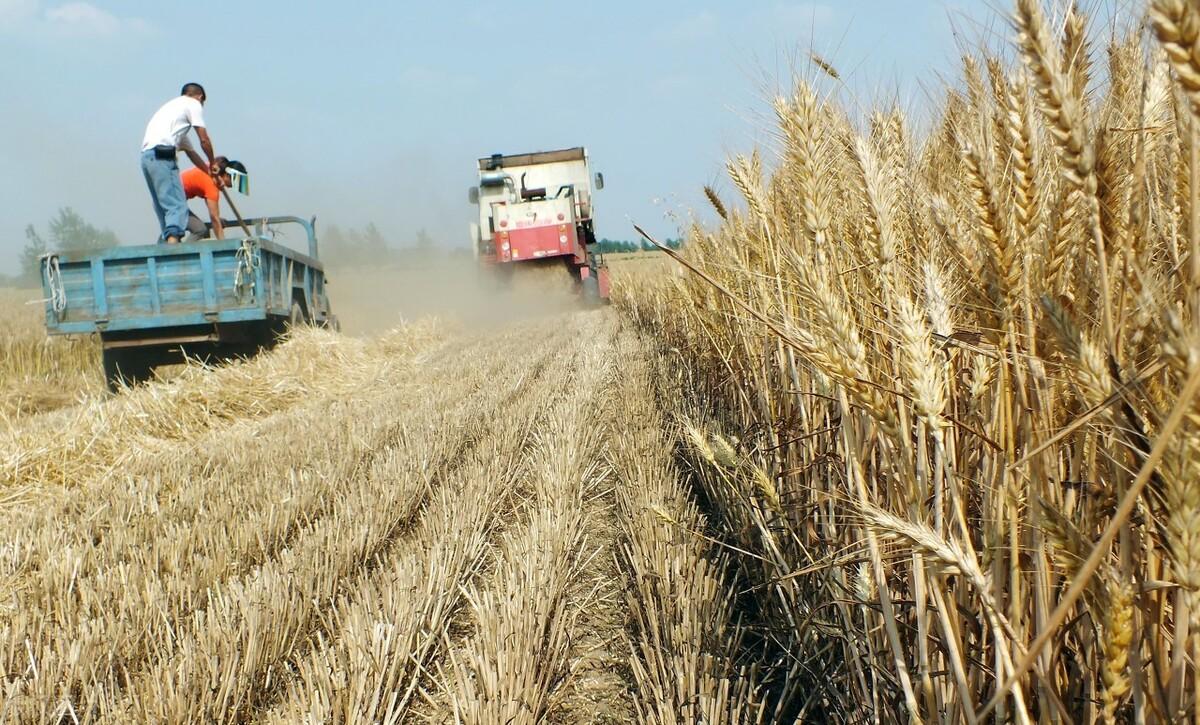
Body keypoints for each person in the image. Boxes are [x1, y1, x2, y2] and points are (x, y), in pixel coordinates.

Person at [140, 83, 219, 244]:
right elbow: (204, 140)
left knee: (165, 211)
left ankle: (164, 250)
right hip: (163, 157)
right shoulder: (193, 104)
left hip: (147, 158)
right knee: (177, 208)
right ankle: (172, 250)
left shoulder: (172, 115)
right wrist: (213, 163)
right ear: (200, 97)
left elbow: (192, 154)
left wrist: (209, 172)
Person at [182, 157, 248, 242]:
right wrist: (224, 246)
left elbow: (213, 212)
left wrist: (217, 219)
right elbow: (214, 218)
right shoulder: (212, 184)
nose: (232, 186)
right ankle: (178, 255)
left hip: (170, 196)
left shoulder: (213, 172)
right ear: (227, 176)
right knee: (200, 230)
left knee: (202, 230)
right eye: (234, 181)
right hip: (171, 199)